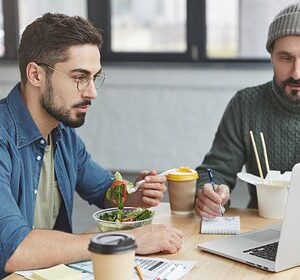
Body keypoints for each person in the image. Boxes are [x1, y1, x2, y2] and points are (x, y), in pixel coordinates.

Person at [0, 13, 183, 277]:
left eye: (94, 77)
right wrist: (124, 242)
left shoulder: (61, 133)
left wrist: (134, 195)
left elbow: (103, 190)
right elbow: (13, 249)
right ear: (36, 74)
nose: (91, 92)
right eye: (79, 77)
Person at [194, 3, 300, 218]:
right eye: (286, 58)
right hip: (262, 227)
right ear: (271, 57)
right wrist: (209, 192)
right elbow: (215, 171)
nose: (297, 73)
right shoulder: (247, 104)